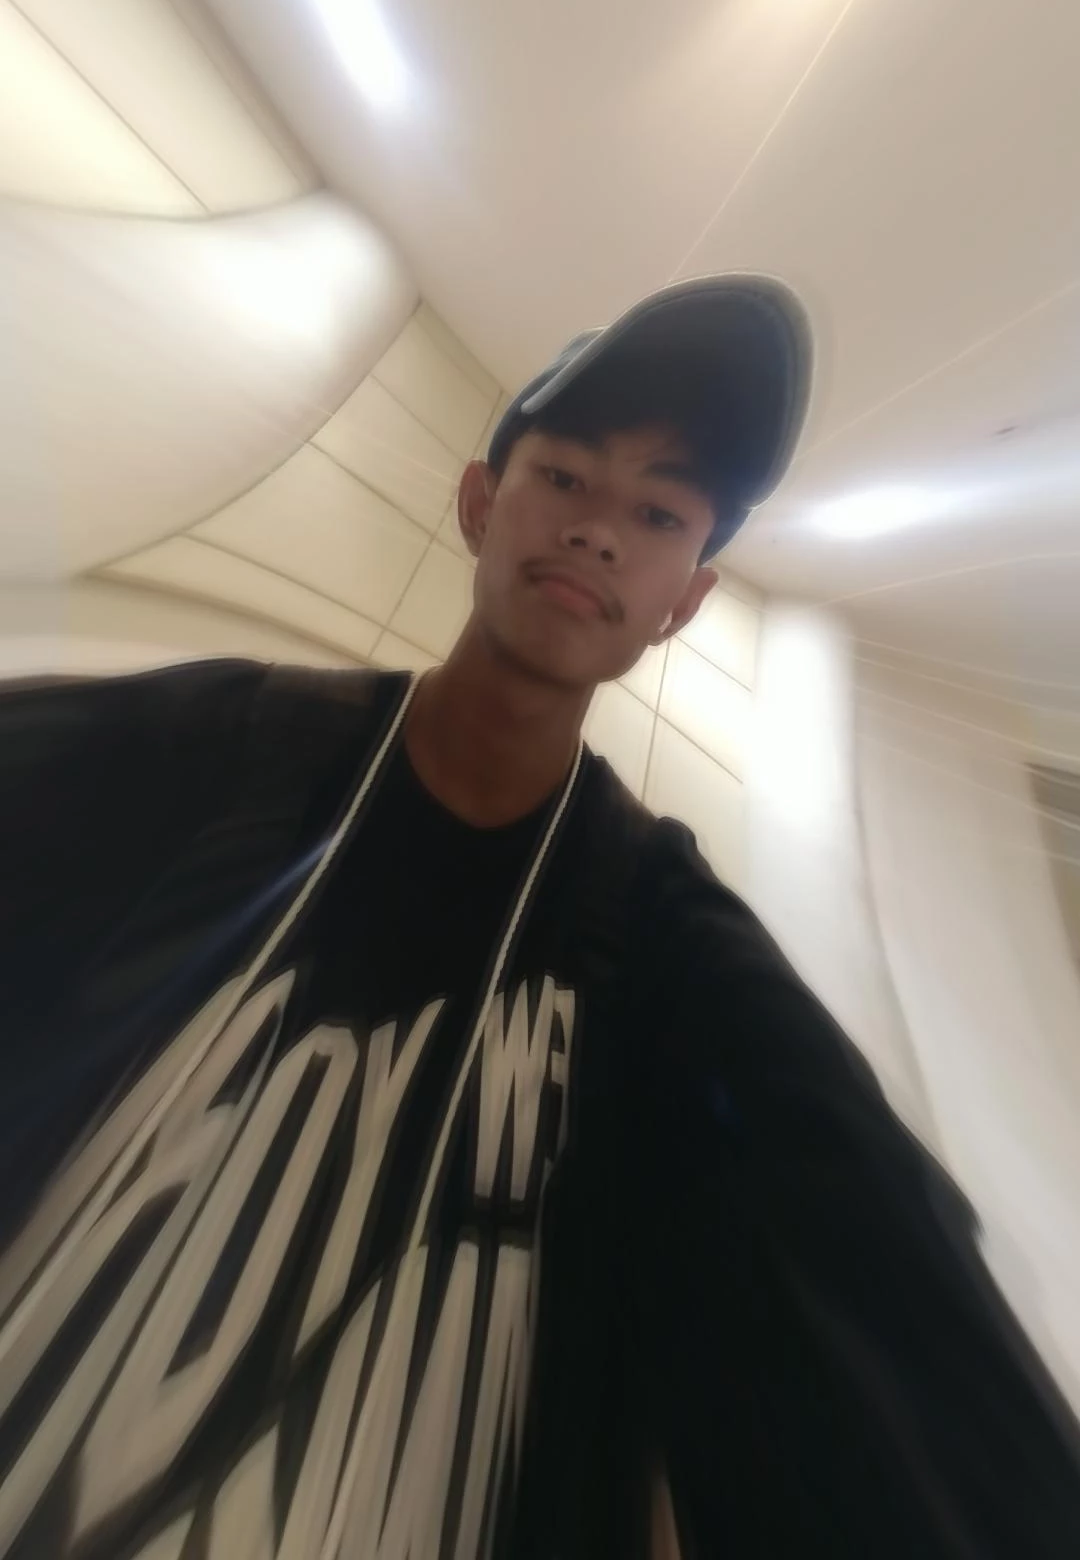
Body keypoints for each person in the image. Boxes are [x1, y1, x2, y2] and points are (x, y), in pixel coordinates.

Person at [0, 274, 1077, 1560]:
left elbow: (885, 1288)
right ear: (478, 503)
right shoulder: (236, 747)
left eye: (658, 512)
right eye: (565, 476)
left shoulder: (665, 946)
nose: (600, 531)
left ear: (685, 599)